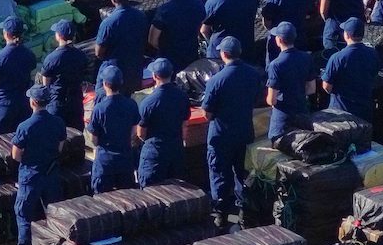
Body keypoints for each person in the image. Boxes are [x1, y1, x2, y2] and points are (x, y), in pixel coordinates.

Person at [200, 37, 258, 226]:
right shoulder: (253, 74)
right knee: (242, 173)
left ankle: (220, 214)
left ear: (223, 54)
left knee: (219, 173)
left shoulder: (216, 80)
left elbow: (207, 114)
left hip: (221, 136)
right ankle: (244, 213)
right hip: (244, 132)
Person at [10, 83, 65, 245]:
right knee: (53, 214)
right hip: (51, 173)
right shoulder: (58, 122)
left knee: (23, 213)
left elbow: (16, 155)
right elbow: (60, 148)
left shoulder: (25, 126)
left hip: (31, 175)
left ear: (33, 102)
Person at [135, 59, 189, 186]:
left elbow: (140, 133)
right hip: (176, 151)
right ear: (171, 74)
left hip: (155, 153)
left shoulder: (148, 102)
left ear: (154, 76)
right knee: (177, 191)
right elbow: (185, 126)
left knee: (150, 193)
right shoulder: (183, 97)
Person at [88, 65, 141, 193]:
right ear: (121, 82)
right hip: (125, 160)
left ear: (105, 84)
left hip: (105, 163)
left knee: (102, 202)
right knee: (127, 201)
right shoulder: (131, 105)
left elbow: (94, 140)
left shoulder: (99, 109)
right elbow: (134, 133)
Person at [264, 23, 317, 141]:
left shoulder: (276, 65)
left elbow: (271, 99)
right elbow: (311, 89)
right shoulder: (306, 58)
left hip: (282, 121)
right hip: (302, 114)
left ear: (279, 40)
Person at [0, 17, 36, 136]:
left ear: (6, 34)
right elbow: (32, 72)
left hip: (3, 106)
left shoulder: (0, 57)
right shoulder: (29, 54)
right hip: (23, 104)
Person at [149, 0, 205, 72]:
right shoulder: (199, 5)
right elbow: (201, 28)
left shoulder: (164, 10)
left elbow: (152, 40)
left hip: (169, 62)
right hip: (191, 58)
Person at [322, 19, 380, 117]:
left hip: (341, 111)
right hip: (365, 109)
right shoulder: (373, 53)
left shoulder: (337, 58)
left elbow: (326, 86)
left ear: (347, 35)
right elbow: (375, 75)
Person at [96, 0, 151, 76]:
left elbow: (99, 52)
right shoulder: (141, 16)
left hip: (113, 72)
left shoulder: (108, 23)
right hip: (135, 69)